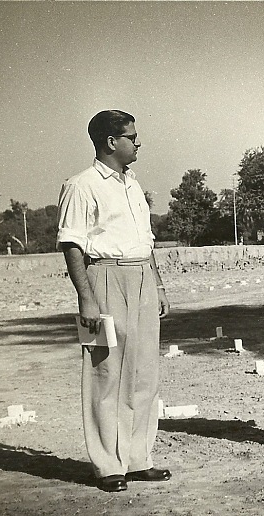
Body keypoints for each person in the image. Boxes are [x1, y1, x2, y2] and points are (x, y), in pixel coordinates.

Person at [57, 110, 171, 492]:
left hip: (141, 278)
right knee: (107, 374)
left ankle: (138, 458)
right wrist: (86, 298)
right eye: (132, 137)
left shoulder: (133, 185)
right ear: (111, 142)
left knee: (144, 373)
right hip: (104, 277)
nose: (138, 143)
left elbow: (146, 241)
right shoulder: (81, 185)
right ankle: (108, 464)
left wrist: (158, 286)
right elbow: (72, 244)